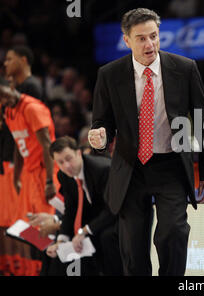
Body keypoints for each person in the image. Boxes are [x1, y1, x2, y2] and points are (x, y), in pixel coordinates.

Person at [88, 8, 204, 276]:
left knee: (174, 232)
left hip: (170, 165)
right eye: (141, 38)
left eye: (154, 36)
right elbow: (102, 124)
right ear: (126, 40)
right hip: (130, 168)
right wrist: (100, 138)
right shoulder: (109, 74)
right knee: (133, 248)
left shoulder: (184, 68)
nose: (150, 44)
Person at [45, 136, 122, 276]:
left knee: (106, 237)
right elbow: (70, 210)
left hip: (117, 216)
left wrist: (84, 231)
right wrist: (61, 240)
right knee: (56, 248)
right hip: (94, 218)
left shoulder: (102, 170)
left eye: (69, 159)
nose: (66, 166)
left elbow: (111, 209)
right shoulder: (63, 176)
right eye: (60, 162)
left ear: (79, 153)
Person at [0, 78, 56, 218]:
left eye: (4, 94)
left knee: (44, 227)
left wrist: (49, 181)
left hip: (45, 171)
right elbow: (19, 144)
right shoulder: (9, 112)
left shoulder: (32, 108)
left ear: (12, 86)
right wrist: (16, 177)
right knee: (28, 226)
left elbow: (47, 145)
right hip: (29, 173)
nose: (4, 100)